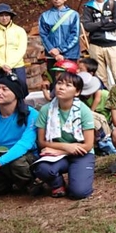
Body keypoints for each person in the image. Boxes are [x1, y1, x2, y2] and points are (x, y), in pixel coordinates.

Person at [33, 71, 95, 199]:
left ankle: (77, 177)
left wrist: (65, 150)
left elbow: (88, 145)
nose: (61, 87)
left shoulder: (83, 110)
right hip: (58, 154)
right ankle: (57, 184)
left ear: (77, 92)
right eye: (59, 83)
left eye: (68, 85)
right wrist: (66, 148)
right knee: (41, 168)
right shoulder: (46, 110)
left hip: (81, 153)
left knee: (79, 192)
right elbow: (42, 142)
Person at [81, 0, 116, 86]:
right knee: (99, 78)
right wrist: (104, 21)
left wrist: (96, 25)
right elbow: (87, 27)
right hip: (96, 45)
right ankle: (103, 101)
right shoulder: (88, 6)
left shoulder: (114, 3)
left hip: (113, 44)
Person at [0, 3, 28, 95]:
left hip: (16, 66)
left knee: (20, 91)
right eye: (1, 15)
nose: (4, 18)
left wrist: (9, 65)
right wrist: (2, 64)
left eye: (7, 15)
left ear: (11, 16)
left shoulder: (19, 30)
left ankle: (21, 109)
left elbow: (21, 49)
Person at [38, 0, 81, 80]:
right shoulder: (45, 16)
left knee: (71, 82)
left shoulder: (73, 15)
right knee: (54, 83)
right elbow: (43, 35)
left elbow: (75, 36)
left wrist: (60, 50)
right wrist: (53, 51)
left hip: (70, 54)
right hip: (52, 56)